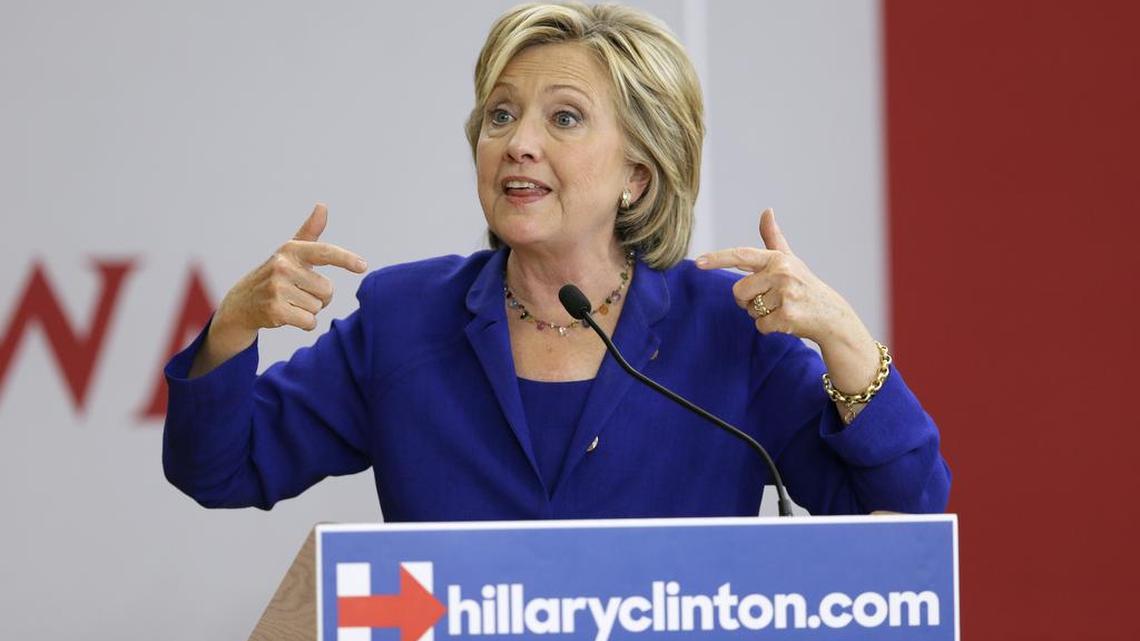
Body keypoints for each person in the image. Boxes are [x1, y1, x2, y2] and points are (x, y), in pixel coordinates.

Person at [163, 3, 950, 520]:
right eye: (500, 114)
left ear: (637, 175)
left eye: (564, 117)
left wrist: (848, 346)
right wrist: (233, 326)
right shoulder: (405, 321)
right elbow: (222, 468)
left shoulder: (725, 328)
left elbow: (901, 519)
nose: (516, 141)